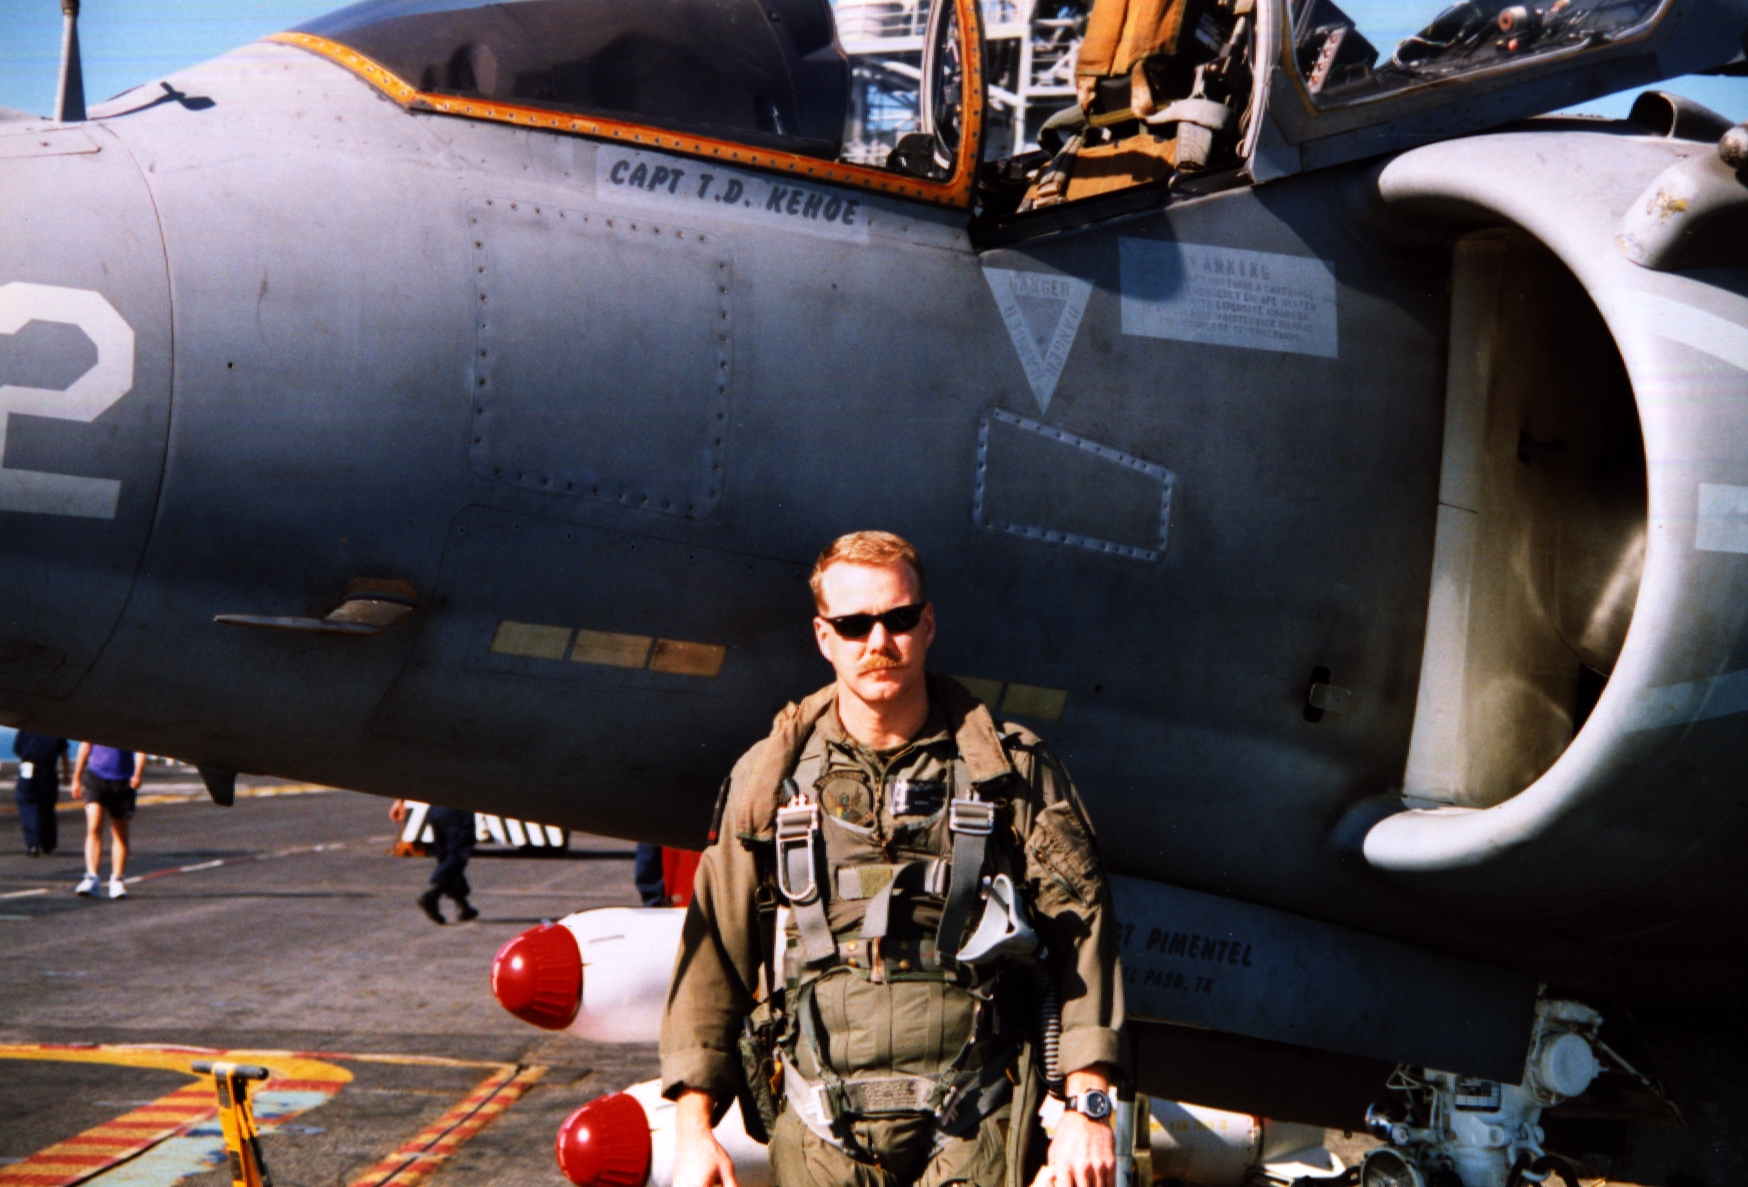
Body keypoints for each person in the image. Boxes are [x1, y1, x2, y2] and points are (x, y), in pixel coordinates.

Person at [661, 531, 1125, 1187]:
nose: (878, 641)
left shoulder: (1010, 771)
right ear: (824, 637)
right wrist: (692, 1132)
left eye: (899, 618)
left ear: (928, 622)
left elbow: (1084, 938)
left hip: (976, 1120)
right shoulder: (769, 779)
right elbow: (713, 960)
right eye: (854, 625)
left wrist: (1089, 1106)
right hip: (821, 1127)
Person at [71, 742, 144, 898]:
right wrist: (76, 778)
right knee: (94, 826)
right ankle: (91, 877)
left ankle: (117, 879)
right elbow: (85, 746)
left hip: (123, 781)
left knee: (119, 832)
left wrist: (138, 773)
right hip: (95, 778)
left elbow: (141, 748)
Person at [389, 799, 479, 924]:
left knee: (445, 856)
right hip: (459, 807)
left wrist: (400, 800)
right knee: (456, 857)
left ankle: (462, 904)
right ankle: (433, 895)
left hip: (437, 809)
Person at [13, 732, 69, 857]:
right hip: (48, 772)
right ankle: (47, 843)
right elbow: (63, 752)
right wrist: (66, 773)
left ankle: (33, 843)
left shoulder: (26, 730)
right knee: (47, 808)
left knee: (28, 806)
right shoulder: (55, 731)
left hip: (28, 771)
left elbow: (17, 748)